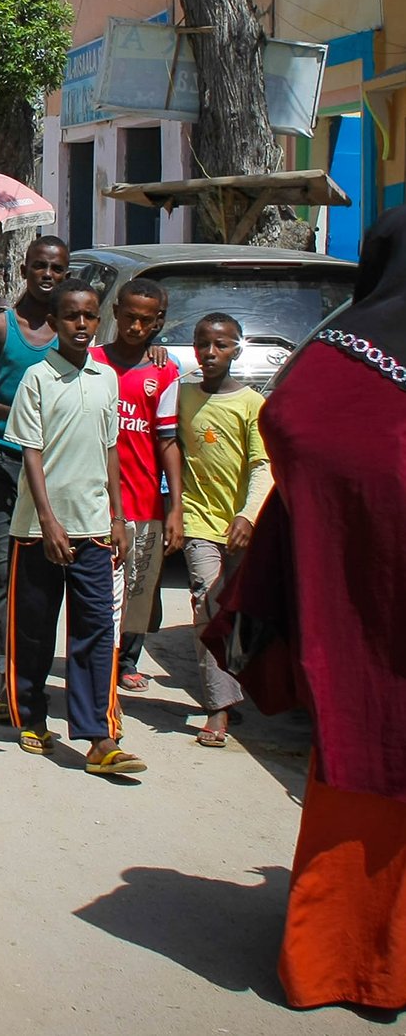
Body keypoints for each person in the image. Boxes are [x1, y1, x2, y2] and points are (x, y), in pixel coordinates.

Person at [207, 210, 406, 1012]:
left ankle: (344, 965)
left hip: (364, 623)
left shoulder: (346, 348)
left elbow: (288, 420)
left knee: (363, 775)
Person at [3, 279, 144, 775]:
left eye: (88, 316)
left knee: (95, 630)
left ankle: (98, 736)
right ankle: (31, 716)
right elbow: (31, 452)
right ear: (56, 323)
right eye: (71, 317)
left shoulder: (105, 379)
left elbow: (111, 450)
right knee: (36, 630)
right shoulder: (38, 379)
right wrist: (47, 520)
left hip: (94, 526)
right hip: (41, 530)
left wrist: (118, 516)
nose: (81, 325)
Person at [0, 235, 68, 707]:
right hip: (2, 467)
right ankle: (5, 672)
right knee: (4, 569)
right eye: (41, 266)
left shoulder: (73, 332)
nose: (48, 275)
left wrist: (155, 354)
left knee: (42, 576)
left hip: (54, 472)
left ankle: (32, 671)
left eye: (57, 269)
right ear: (25, 269)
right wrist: (17, 414)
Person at [168, 312, 271, 747]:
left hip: (241, 524)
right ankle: (219, 707)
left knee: (240, 610)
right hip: (197, 519)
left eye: (221, 345)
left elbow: (263, 466)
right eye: (202, 344)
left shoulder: (251, 404)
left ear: (236, 349)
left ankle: (238, 685)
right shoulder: (183, 395)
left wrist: (247, 515)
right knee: (207, 604)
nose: (210, 353)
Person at [91, 280, 183, 695]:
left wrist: (175, 505)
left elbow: (168, 440)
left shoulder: (164, 371)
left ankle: (127, 660)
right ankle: (98, 657)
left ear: (158, 322)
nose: (136, 326)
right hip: (93, 498)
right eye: (129, 317)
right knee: (98, 587)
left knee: (138, 586)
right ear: (116, 313)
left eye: (146, 321)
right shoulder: (90, 361)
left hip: (143, 498)